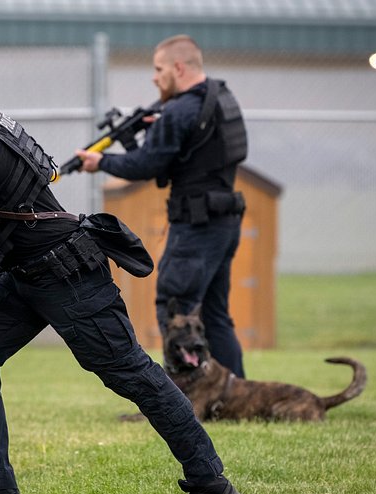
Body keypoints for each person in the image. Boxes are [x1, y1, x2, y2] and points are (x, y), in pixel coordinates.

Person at [0, 67, 243, 494]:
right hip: (25, 274)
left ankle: (212, 484)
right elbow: (2, 205)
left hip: (69, 277)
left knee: (133, 374)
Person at [74, 34, 248, 378]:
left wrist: (100, 162)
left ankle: (178, 402)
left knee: (175, 310)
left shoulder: (179, 111)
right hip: (224, 222)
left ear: (178, 68)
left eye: (158, 69)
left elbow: (145, 166)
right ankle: (233, 394)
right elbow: (191, 155)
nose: (154, 77)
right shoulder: (221, 98)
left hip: (195, 227)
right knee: (214, 315)